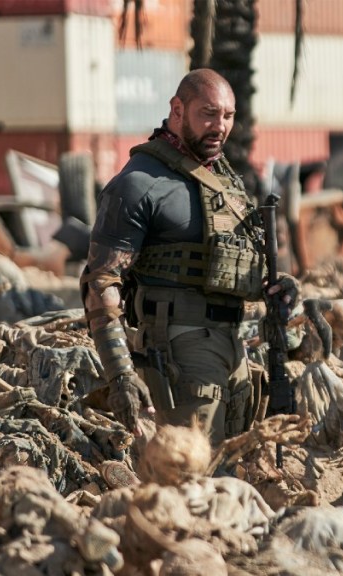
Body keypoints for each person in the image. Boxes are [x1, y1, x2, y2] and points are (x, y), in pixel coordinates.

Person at [81, 69, 297, 444]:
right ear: (177, 109)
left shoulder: (224, 180)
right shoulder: (139, 183)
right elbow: (101, 282)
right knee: (192, 470)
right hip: (181, 350)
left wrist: (280, 287)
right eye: (208, 114)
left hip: (236, 348)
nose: (220, 126)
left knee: (235, 470)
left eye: (228, 116)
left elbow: (236, 263)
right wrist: (121, 375)